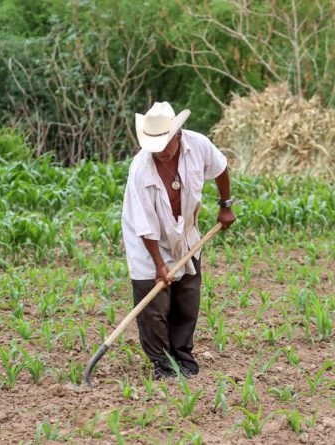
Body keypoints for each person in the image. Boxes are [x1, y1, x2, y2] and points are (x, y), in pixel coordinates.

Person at [121, 101, 236, 380]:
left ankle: (182, 356)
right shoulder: (140, 169)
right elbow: (145, 224)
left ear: (177, 134)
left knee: (187, 296)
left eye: (165, 144)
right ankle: (163, 364)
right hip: (147, 240)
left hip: (186, 233)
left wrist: (225, 205)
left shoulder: (198, 146)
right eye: (154, 146)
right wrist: (159, 265)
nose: (160, 152)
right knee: (154, 305)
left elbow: (220, 168)